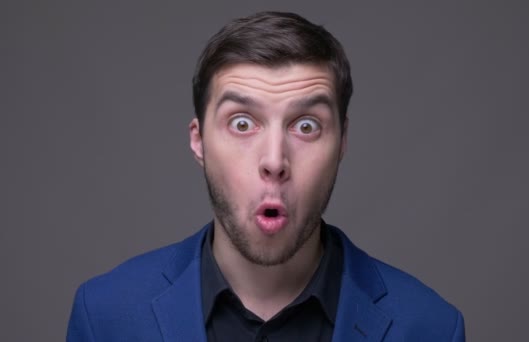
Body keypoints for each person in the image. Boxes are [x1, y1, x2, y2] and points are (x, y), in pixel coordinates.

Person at [67, 11, 465, 342]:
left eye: (306, 126)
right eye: (242, 123)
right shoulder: (105, 317)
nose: (274, 161)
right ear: (199, 141)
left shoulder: (430, 327)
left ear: (342, 143)